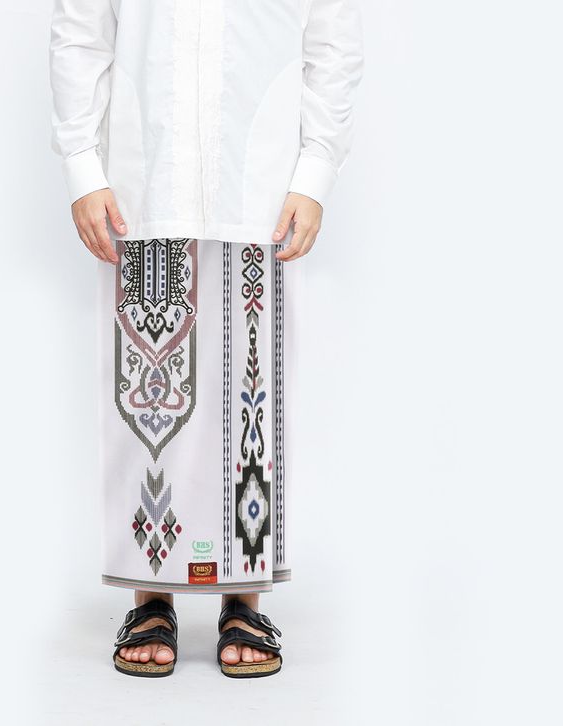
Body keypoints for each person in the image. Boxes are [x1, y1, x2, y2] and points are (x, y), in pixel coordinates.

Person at [49, 0, 363, 678]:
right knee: (147, 404)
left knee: (250, 398)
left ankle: (243, 597)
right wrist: (83, 164)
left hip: (259, 185)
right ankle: (150, 594)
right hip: (144, 185)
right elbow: (81, 29)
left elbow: (332, 40)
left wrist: (316, 170)